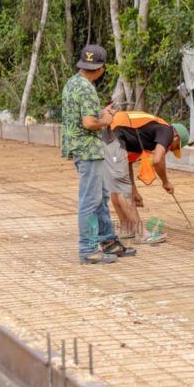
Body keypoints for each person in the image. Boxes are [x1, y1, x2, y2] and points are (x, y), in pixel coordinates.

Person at [61, 44, 136, 264]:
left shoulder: (73, 83)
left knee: (100, 197)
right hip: (88, 150)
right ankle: (88, 249)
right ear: (101, 68)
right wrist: (106, 119)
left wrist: (100, 113)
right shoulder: (87, 88)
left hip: (80, 148)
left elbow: (82, 117)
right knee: (90, 200)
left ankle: (108, 241)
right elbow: (89, 123)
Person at [106, 110, 191, 244]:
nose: (171, 149)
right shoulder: (167, 131)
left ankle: (126, 230)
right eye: (175, 147)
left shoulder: (143, 134)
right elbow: (158, 160)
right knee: (122, 187)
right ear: (176, 137)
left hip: (109, 135)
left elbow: (126, 162)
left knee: (117, 186)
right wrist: (166, 182)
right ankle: (142, 234)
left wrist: (134, 190)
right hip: (114, 132)